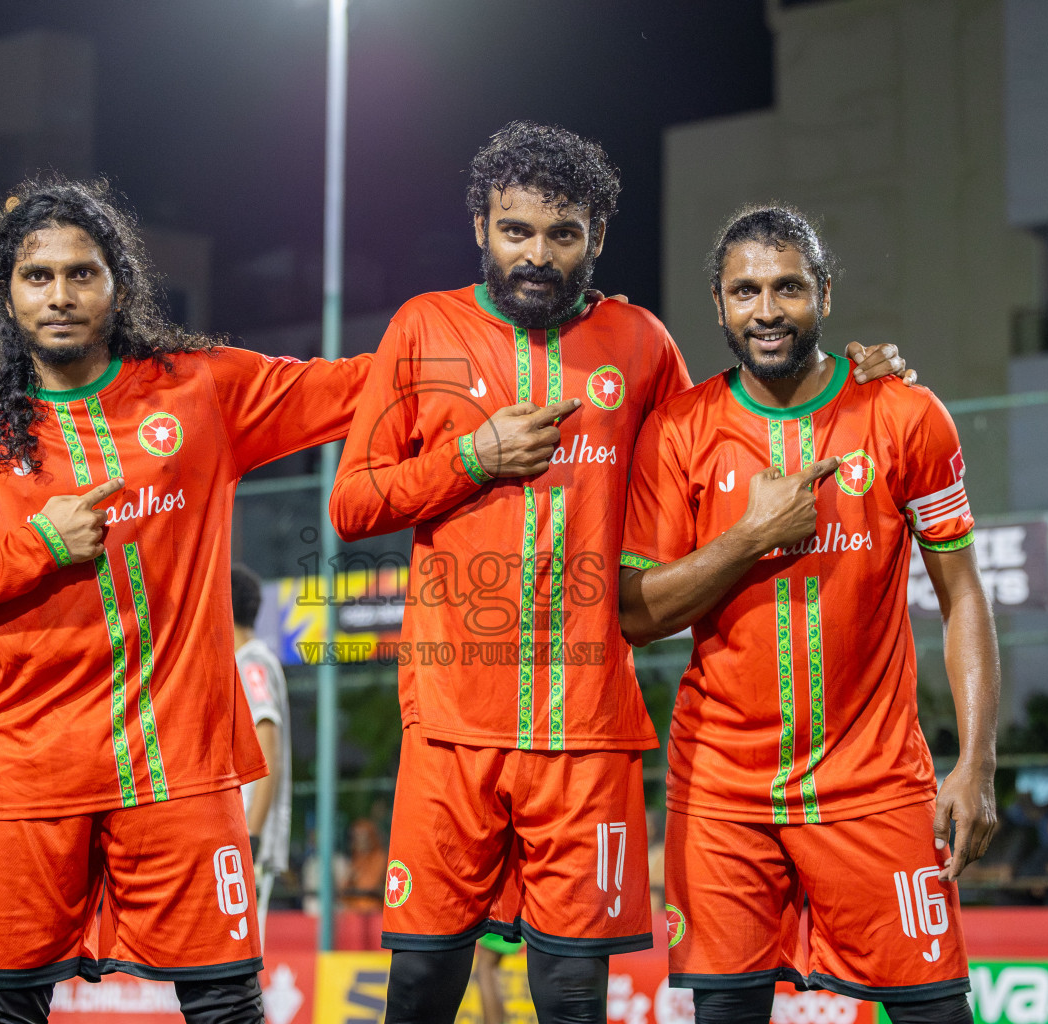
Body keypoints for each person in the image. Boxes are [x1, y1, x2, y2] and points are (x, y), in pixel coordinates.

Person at [330, 123, 911, 1024]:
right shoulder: (423, 327)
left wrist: (858, 382)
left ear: (596, 237)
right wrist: (473, 458)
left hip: (590, 727)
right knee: (420, 985)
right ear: (481, 227)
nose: (537, 254)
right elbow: (352, 503)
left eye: (563, 234)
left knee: (572, 994)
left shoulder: (639, 342)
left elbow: (718, 443)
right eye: (516, 230)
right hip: (452, 721)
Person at [0, 178, 370, 1024]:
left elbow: (365, 385)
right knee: (6, 1012)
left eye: (83, 273)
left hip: (178, 765)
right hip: (28, 769)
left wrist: (493, 326)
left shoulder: (198, 390)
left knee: (226, 1005)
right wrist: (38, 545)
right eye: (37, 276)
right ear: (6, 291)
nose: (60, 295)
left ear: (119, 282)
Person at [619, 205, 998, 1024]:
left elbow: (963, 594)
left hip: (875, 785)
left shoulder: (904, 413)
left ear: (824, 294)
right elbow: (635, 616)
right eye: (745, 291)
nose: (767, 310)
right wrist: (750, 538)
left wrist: (976, 762)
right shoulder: (677, 431)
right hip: (721, 792)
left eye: (788, 287)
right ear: (718, 305)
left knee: (937, 1014)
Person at [231, 563, 292, 948]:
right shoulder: (249, 660)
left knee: (242, 960)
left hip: (246, 840)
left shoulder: (251, 663)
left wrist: (249, 839)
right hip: (239, 839)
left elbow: (268, 752)